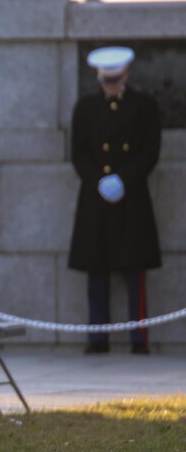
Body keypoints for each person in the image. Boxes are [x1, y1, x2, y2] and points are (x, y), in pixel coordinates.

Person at [68, 46, 161, 355]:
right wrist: (98, 180)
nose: (111, 85)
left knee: (135, 270)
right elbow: (79, 153)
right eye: (107, 81)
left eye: (116, 80)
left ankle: (139, 338)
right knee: (97, 269)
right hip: (96, 199)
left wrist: (124, 178)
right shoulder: (85, 108)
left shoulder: (144, 106)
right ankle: (98, 337)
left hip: (131, 197)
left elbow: (150, 151)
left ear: (126, 76)